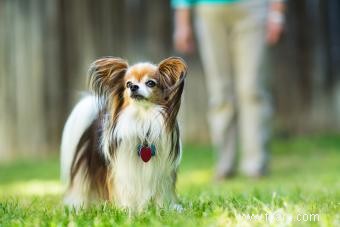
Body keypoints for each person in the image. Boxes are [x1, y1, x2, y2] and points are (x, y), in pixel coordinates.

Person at [172, 0, 285, 179]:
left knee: (252, 89)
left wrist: (277, 13)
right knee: (219, 91)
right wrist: (182, 21)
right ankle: (225, 164)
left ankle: (255, 164)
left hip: (253, 7)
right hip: (209, 9)